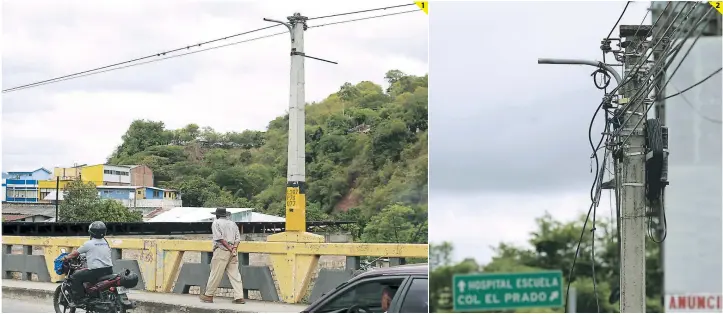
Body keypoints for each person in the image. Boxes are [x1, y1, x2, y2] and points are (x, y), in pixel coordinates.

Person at [199, 208, 245, 304]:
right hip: (233, 252)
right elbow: (237, 239)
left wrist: (229, 248)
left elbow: (219, 238)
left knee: (215, 273)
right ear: (226, 215)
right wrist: (234, 249)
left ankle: (209, 295)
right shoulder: (233, 224)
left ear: (217, 215)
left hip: (222, 251)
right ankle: (239, 296)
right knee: (235, 274)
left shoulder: (216, 223)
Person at [62, 221, 113, 306]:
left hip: (95, 272)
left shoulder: (89, 243)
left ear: (91, 232)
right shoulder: (105, 242)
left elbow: (75, 253)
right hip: (109, 270)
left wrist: (65, 258)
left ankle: (80, 299)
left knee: (75, 277)